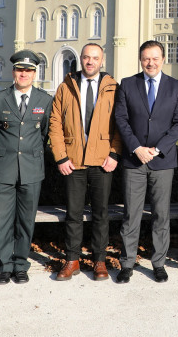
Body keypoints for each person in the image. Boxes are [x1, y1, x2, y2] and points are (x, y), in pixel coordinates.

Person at [113, 39, 178, 283]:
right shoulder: (127, 84)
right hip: (134, 162)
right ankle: (127, 263)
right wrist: (136, 148)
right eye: (146, 58)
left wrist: (157, 149)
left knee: (160, 215)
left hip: (162, 161)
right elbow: (121, 120)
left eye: (155, 58)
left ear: (163, 59)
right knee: (131, 215)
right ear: (140, 60)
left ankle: (159, 264)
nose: (151, 62)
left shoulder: (176, 87)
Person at [49, 43, 122, 282]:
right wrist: (60, 156)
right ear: (80, 59)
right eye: (86, 57)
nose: (90, 62)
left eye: (95, 58)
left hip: (102, 161)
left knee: (101, 213)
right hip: (73, 160)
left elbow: (121, 124)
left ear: (102, 61)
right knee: (73, 213)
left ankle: (99, 260)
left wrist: (114, 154)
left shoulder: (113, 88)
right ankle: (72, 259)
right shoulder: (66, 86)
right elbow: (55, 123)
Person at [0, 50, 53, 285]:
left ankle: (21, 264)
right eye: (20, 70)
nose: (24, 74)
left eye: (29, 70)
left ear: (35, 73)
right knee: (2, 218)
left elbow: (43, 134)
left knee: (26, 220)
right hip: (2, 168)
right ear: (13, 72)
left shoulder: (45, 100)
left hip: (31, 169)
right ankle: (4, 266)